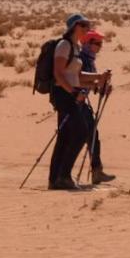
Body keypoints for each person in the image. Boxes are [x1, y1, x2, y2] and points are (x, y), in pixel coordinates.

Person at [48, 13, 110, 190]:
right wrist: (73, 92)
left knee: (65, 137)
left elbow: (77, 74)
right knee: (81, 132)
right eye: (83, 25)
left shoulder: (74, 47)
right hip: (64, 95)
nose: (87, 29)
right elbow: (58, 74)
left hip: (71, 94)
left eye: (88, 26)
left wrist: (99, 77)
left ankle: (55, 179)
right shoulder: (64, 45)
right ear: (74, 26)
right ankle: (64, 175)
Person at [78, 29, 114, 184]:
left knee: (92, 136)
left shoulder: (89, 60)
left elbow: (91, 85)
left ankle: (97, 171)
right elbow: (78, 80)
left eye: (101, 43)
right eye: (97, 43)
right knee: (83, 137)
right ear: (87, 44)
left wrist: (101, 88)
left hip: (82, 103)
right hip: (75, 103)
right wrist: (98, 83)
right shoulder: (82, 60)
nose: (100, 46)